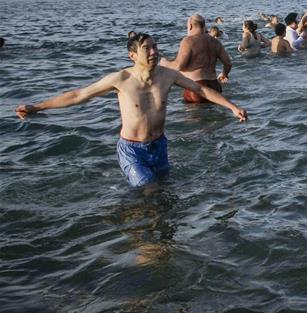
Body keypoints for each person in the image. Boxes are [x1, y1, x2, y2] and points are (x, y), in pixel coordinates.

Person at [15, 33, 247, 189]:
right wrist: (37, 107)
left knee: (165, 190)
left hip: (160, 146)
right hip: (132, 150)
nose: (154, 52)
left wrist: (232, 107)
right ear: (133, 55)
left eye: (155, 47)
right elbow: (78, 95)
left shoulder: (168, 76)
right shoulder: (121, 79)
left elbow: (201, 90)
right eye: (147, 48)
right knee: (149, 192)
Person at [161, 14, 233, 104]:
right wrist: (224, 74)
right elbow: (228, 64)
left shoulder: (188, 41)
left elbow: (178, 65)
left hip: (195, 89)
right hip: (215, 88)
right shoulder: (215, 42)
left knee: (194, 116)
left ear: (190, 26)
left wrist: (164, 63)